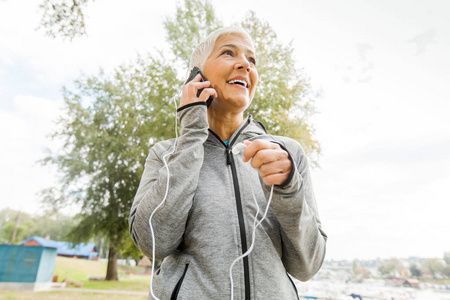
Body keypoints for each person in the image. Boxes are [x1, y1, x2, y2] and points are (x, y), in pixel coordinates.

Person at [129, 26, 327, 300]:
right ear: (196, 76)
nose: (245, 64)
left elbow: (308, 265)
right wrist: (190, 137)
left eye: (252, 60)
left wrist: (288, 189)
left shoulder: (286, 154)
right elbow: (153, 243)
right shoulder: (164, 154)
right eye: (228, 52)